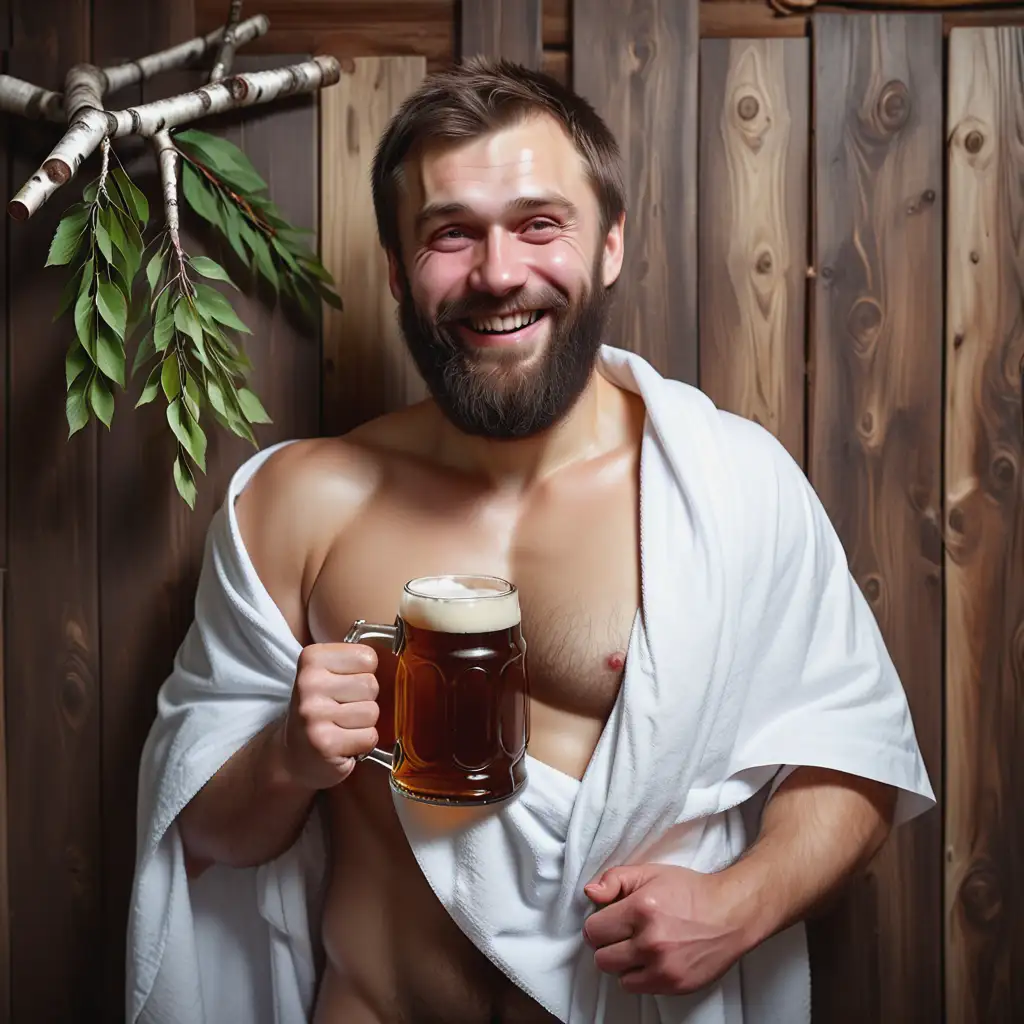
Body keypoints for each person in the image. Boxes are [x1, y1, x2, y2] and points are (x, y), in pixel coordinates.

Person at [127, 58, 934, 1024]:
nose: (499, 272)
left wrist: (738, 906)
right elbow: (201, 833)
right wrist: (286, 759)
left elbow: (850, 751)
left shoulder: (728, 487)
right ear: (397, 267)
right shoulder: (298, 506)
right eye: (450, 234)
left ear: (610, 246)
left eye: (539, 224)